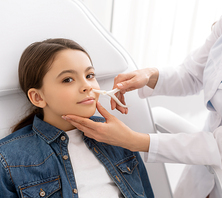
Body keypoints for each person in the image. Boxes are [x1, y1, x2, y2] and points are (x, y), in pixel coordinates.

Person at [63, 0, 222, 197]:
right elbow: (193, 74)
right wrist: (150, 76)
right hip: (203, 168)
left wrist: (135, 141)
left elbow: (220, 146)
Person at [0, 38, 154, 198]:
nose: (87, 86)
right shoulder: (7, 159)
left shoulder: (120, 138)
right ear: (38, 97)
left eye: (90, 75)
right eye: (68, 79)